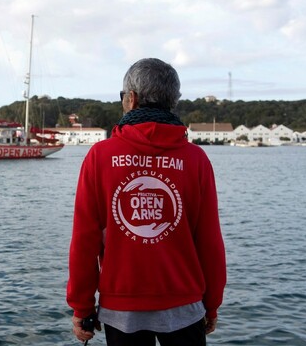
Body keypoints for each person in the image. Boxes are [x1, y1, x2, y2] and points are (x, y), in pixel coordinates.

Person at [67, 58, 226, 346]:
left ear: (131, 99)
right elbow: (210, 242)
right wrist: (212, 302)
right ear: (172, 102)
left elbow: (84, 241)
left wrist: (82, 305)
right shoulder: (196, 160)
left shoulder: (100, 157)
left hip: (121, 309)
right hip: (185, 306)